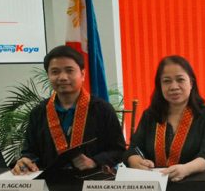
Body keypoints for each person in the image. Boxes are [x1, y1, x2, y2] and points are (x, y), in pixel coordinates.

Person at [13, 45, 125, 174]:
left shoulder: (102, 109)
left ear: (82, 74)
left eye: (69, 70)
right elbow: (30, 151)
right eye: (55, 72)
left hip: (91, 181)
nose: (62, 77)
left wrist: (94, 161)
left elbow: (118, 150)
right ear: (48, 75)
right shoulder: (39, 112)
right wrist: (26, 160)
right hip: (50, 181)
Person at [125, 56, 205, 182]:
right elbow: (134, 148)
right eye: (167, 81)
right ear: (160, 86)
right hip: (153, 185)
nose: (174, 86)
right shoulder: (150, 115)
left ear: (191, 83)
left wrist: (186, 169)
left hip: (194, 184)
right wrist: (134, 159)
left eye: (180, 80)